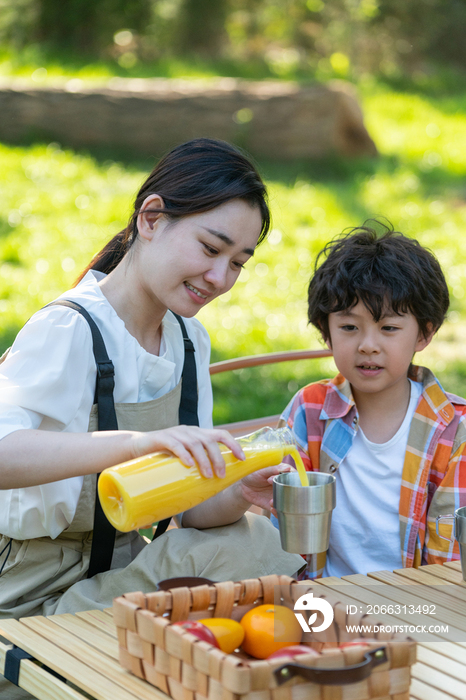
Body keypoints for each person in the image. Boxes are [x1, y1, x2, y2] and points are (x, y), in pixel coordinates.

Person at [0, 137, 303, 630]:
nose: (220, 277)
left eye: (238, 263)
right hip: (27, 596)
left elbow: (194, 511)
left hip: (119, 571)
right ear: (151, 219)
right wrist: (136, 445)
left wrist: (237, 489)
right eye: (210, 248)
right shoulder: (69, 328)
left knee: (254, 539)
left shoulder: (188, 339)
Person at [279, 222, 466, 579]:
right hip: (321, 603)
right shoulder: (310, 410)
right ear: (326, 332)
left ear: (425, 333)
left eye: (389, 328)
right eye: (349, 327)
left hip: (417, 608)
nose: (368, 344)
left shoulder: (455, 431)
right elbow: (280, 530)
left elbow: (451, 558)